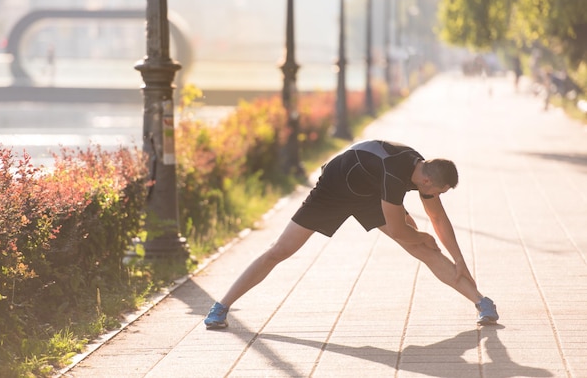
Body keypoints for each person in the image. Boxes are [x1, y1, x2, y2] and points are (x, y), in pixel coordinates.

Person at [204, 140, 499, 329]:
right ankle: (221, 306)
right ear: (426, 181)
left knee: (424, 250)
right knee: (280, 250)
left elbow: (438, 217)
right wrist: (421, 236)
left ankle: (482, 302)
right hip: (332, 190)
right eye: (438, 191)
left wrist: (458, 258)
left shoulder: (421, 168)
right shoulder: (396, 175)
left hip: (369, 193)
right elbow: (398, 230)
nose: (436, 195)